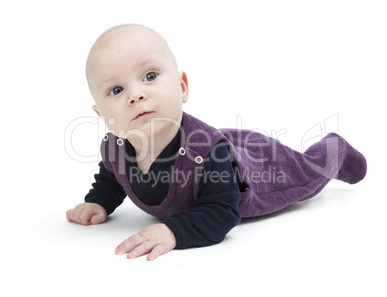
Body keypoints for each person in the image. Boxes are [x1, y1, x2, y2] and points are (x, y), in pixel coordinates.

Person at [66, 24, 367, 261]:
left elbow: (223, 211)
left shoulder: (209, 154)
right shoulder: (114, 147)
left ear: (182, 86)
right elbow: (113, 177)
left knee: (307, 171)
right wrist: (99, 201)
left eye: (150, 75)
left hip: (261, 170)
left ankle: (335, 150)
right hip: (214, 140)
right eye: (116, 90)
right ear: (102, 114)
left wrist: (175, 231)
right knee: (215, 140)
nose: (136, 94)